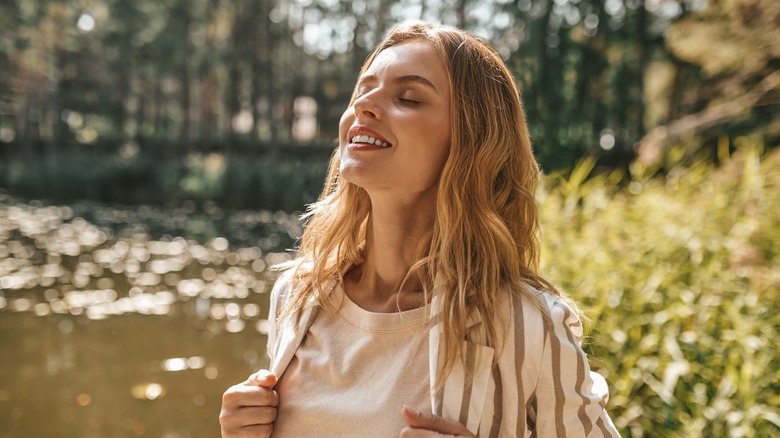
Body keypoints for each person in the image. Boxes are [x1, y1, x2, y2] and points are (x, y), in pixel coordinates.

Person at [219, 22, 620, 437]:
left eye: (407, 98)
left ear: (471, 141)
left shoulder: (526, 324)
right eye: (362, 90)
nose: (365, 106)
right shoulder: (296, 294)